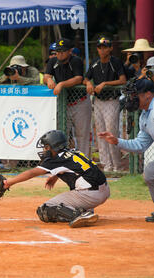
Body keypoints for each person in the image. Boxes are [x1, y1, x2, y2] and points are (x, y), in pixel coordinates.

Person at [0, 130, 109, 228]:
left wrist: (7, 183)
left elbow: (31, 173)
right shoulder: (72, 151)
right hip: (103, 190)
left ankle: (79, 214)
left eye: (47, 147)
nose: (45, 150)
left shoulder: (54, 159)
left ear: (54, 147)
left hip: (90, 195)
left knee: (44, 210)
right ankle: (85, 209)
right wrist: (55, 176)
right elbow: (77, 168)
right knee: (69, 198)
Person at [98, 78, 154, 223]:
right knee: (150, 173)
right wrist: (117, 141)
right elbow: (141, 144)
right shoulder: (145, 114)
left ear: (148, 94)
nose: (131, 99)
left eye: (135, 95)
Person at [83, 36, 127, 172]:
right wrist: (89, 83)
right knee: (101, 134)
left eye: (105, 47)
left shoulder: (115, 62)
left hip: (111, 101)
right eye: (100, 47)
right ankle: (107, 165)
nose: (102, 50)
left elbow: (123, 80)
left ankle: (117, 166)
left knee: (111, 133)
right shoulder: (95, 62)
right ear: (97, 49)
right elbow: (85, 78)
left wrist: (105, 83)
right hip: (98, 101)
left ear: (110, 48)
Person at [44, 37, 91, 158]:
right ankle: (65, 162)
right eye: (58, 51)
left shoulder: (76, 61)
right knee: (62, 135)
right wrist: (49, 79)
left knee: (82, 135)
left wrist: (61, 84)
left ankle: (84, 162)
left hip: (79, 102)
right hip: (64, 104)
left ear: (70, 51)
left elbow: (78, 78)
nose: (59, 53)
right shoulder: (52, 61)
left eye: (63, 51)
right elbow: (46, 76)